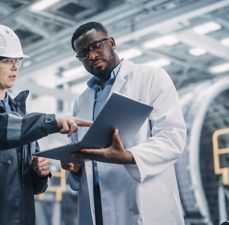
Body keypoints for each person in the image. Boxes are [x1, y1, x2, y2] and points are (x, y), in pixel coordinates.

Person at [0, 23, 91, 225]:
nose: (15, 67)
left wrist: (39, 173)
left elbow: (35, 188)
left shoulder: (20, 116)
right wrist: (50, 122)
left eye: (17, 61)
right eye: (6, 61)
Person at [61, 22, 187, 225]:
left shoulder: (151, 78)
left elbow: (173, 138)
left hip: (142, 205)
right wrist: (74, 168)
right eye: (83, 53)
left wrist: (129, 157)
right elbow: (81, 156)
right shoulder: (81, 101)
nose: (92, 56)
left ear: (111, 42)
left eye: (95, 46)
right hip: (97, 210)